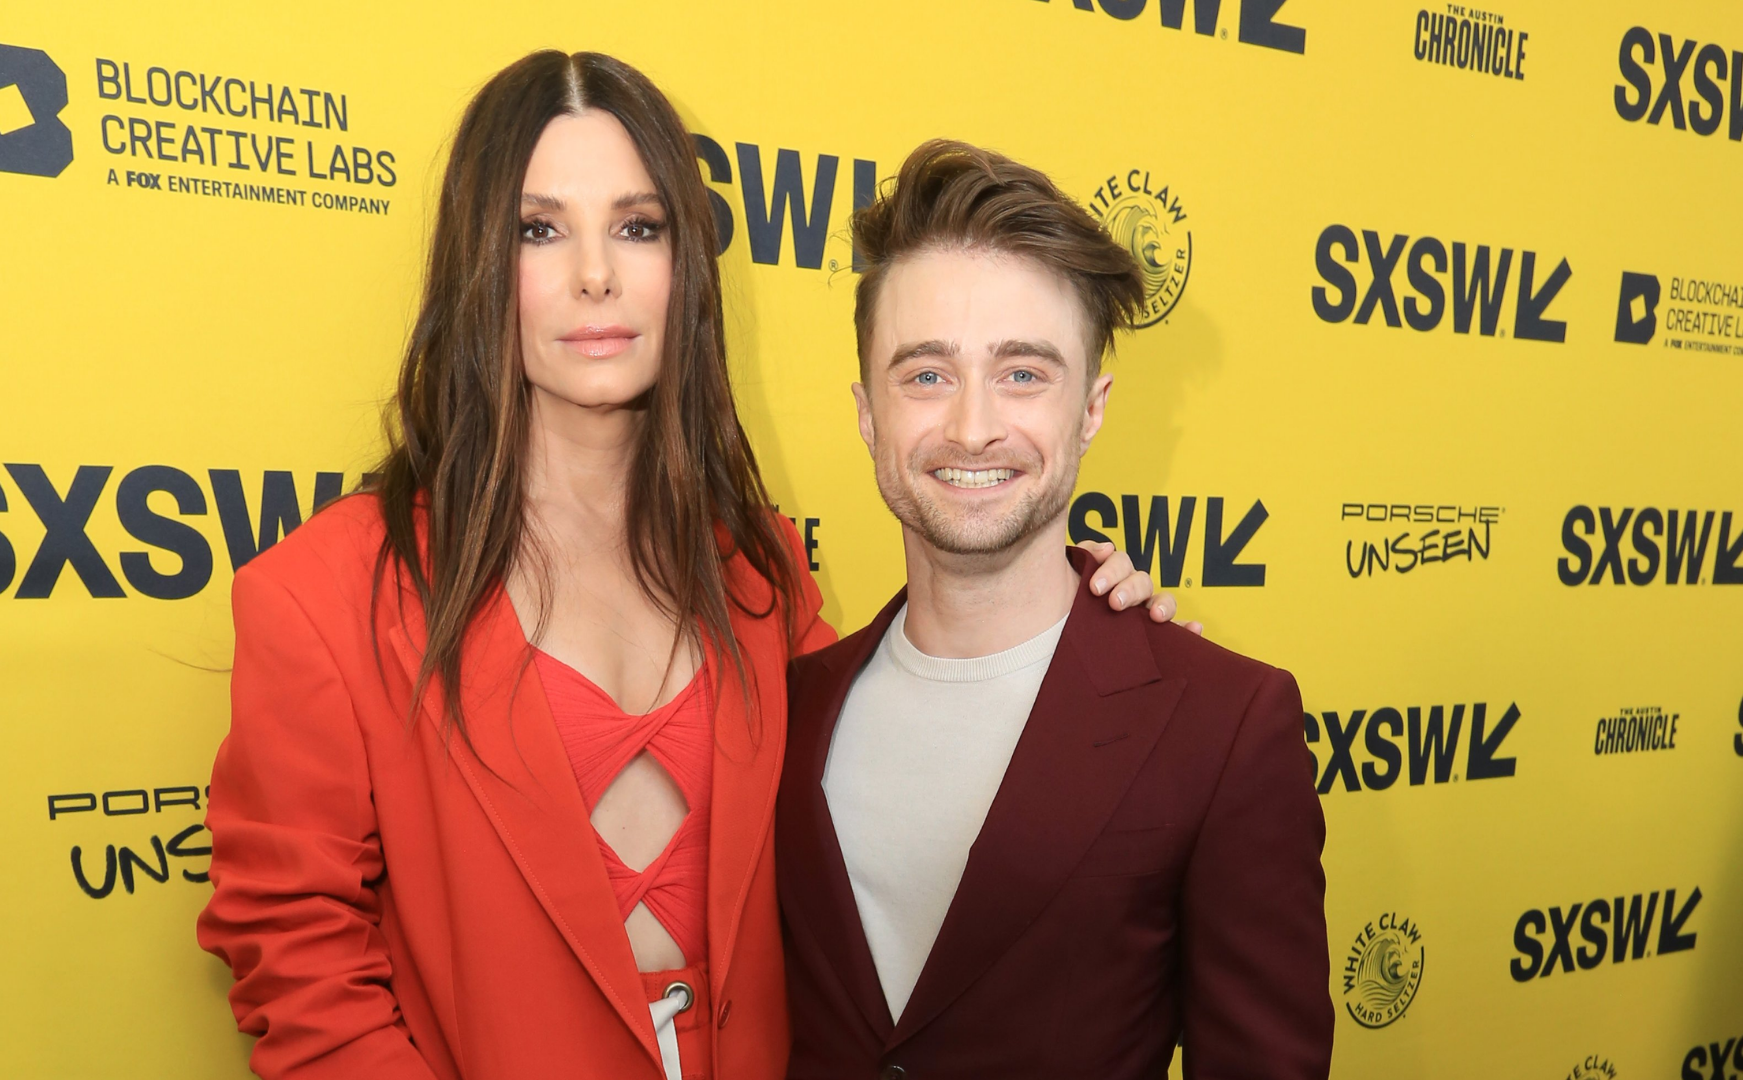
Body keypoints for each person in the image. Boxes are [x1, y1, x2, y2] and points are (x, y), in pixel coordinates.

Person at [196, 54, 1174, 1080]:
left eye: (637, 225)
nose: (595, 275)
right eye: (539, 229)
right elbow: (296, 961)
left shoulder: (755, 572)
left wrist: (1070, 641)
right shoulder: (324, 594)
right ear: (478, 262)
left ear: (685, 261)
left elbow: (892, 771)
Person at [777, 141, 1331, 1079]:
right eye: (926, 375)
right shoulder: (785, 712)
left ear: (1092, 409)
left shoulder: (1225, 727)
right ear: (868, 412)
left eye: (1023, 373)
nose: (972, 426)